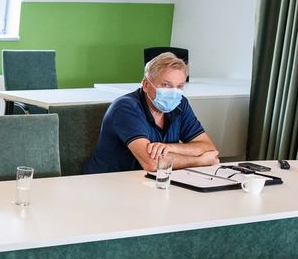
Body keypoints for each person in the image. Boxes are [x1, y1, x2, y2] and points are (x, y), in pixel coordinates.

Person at [83, 52, 219, 174]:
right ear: (146, 85)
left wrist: (170, 148)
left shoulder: (180, 104)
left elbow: (209, 149)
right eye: (166, 85)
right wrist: (199, 161)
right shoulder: (126, 107)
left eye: (179, 86)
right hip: (109, 182)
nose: (174, 93)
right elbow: (152, 163)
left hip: (151, 181)